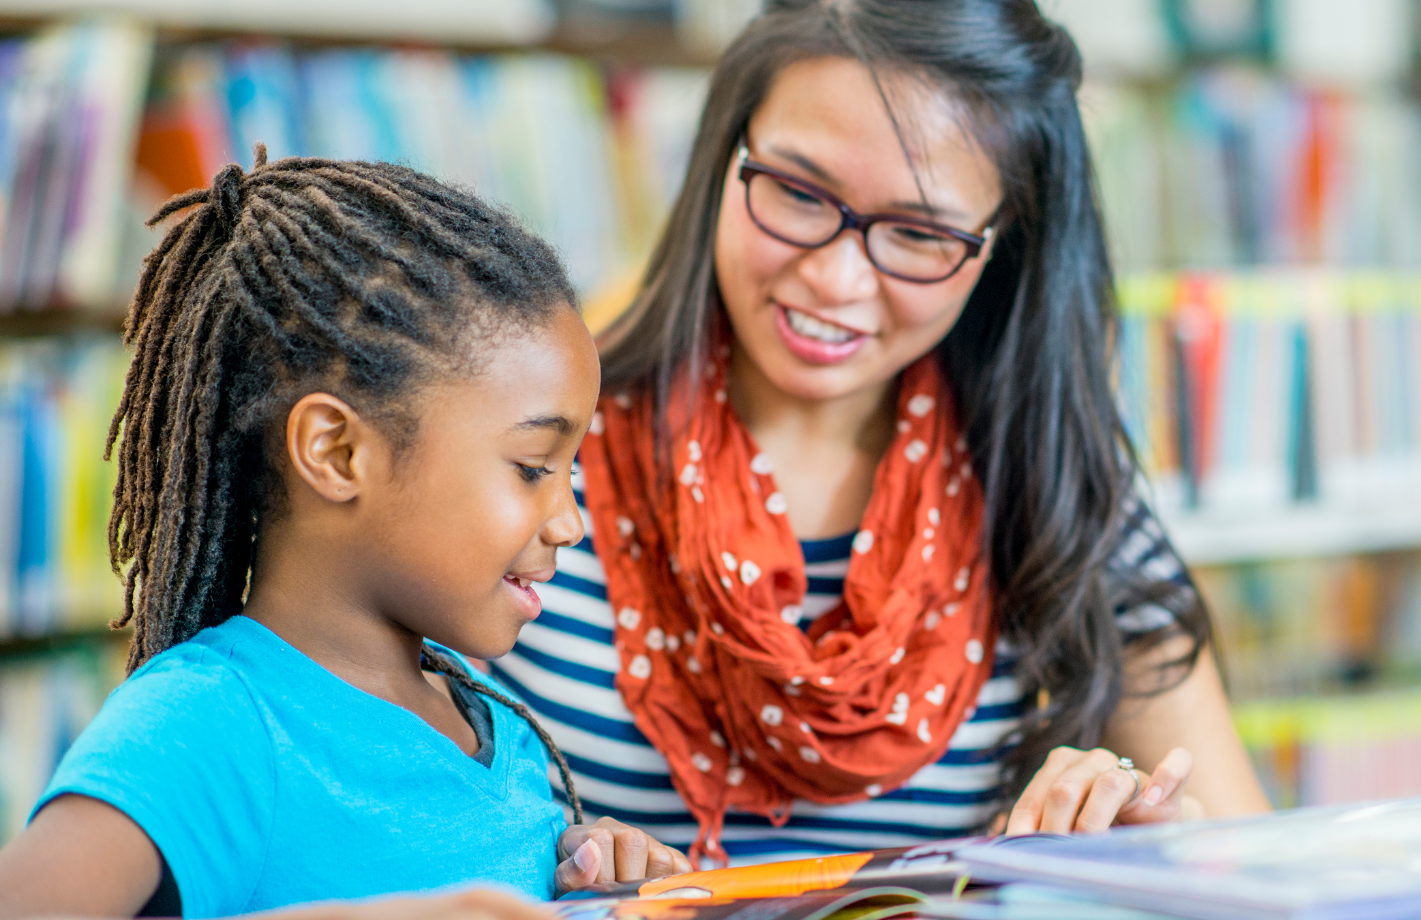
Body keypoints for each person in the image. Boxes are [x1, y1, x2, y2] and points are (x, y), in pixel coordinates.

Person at [494, 0, 1270, 867]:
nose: (832, 276)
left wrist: (1154, 848)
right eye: (794, 190)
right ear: (724, 157)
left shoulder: (1057, 489)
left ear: (1002, 247)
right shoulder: (524, 453)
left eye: (918, 233)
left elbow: (1246, 866)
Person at [0, 150, 686, 920]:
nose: (570, 521)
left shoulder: (494, 724)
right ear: (337, 452)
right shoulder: (210, 728)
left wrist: (588, 889)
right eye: (532, 466)